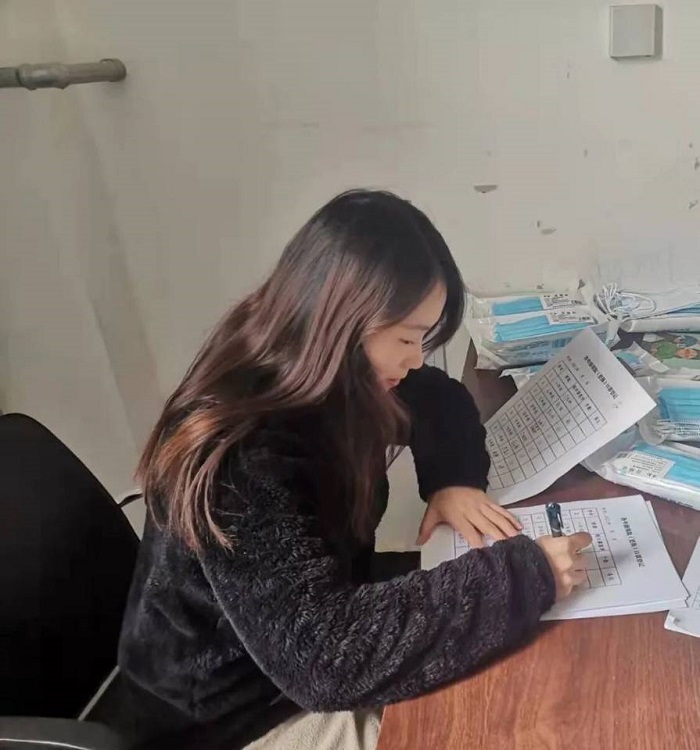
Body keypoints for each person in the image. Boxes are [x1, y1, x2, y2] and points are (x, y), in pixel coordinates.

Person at [118, 190, 591, 750]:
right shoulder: (242, 456)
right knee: (496, 718)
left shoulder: (317, 367)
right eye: (407, 338)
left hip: (306, 630)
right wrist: (527, 575)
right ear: (342, 323)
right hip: (233, 718)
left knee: (520, 662)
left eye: (423, 338)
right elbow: (325, 662)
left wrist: (452, 479)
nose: (416, 358)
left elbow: (435, 398)